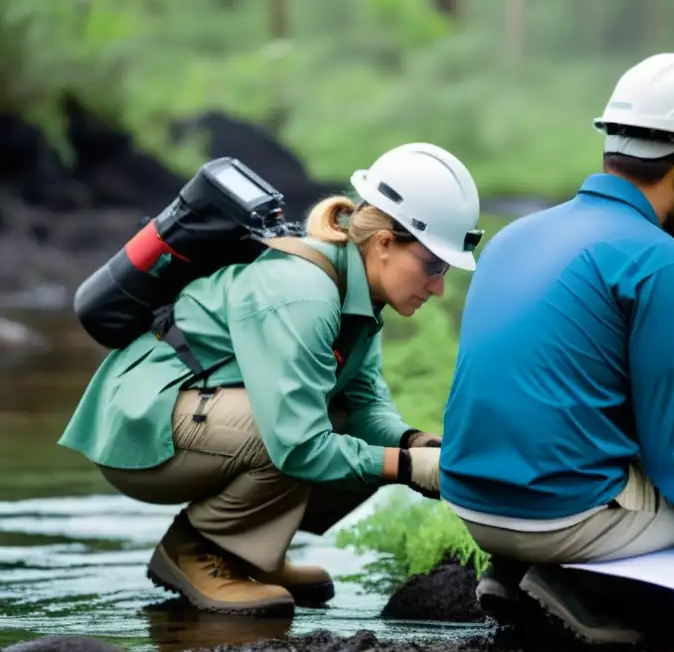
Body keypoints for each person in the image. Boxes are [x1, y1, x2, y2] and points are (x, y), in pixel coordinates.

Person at [437, 53, 674, 645]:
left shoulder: (514, 237)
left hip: (474, 507)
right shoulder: (660, 262)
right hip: (563, 519)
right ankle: (588, 589)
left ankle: (512, 573)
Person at [58, 142, 484, 616]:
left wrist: (417, 444)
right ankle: (198, 553)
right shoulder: (304, 294)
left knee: (339, 421)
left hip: (196, 413)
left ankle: (251, 554)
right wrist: (406, 467)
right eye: (432, 266)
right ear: (384, 243)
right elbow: (298, 443)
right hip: (139, 420)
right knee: (295, 432)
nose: (439, 286)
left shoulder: (358, 292)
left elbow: (364, 407)